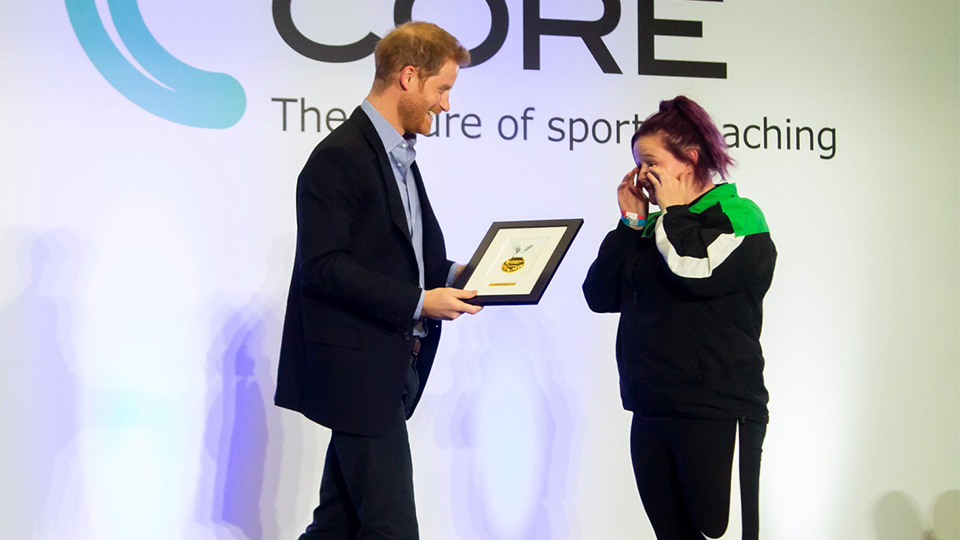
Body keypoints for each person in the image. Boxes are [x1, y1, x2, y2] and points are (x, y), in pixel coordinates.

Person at [274, 21, 481, 540]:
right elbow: (321, 267)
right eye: (443, 89)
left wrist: (469, 275)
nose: (446, 105)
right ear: (409, 78)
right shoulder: (339, 158)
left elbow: (415, 261)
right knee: (391, 530)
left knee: (337, 524)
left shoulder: (401, 158)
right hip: (358, 374)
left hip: (388, 372)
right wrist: (419, 301)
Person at [582, 96, 776, 540]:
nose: (642, 175)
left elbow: (696, 271)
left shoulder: (739, 217)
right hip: (650, 412)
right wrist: (632, 223)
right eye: (637, 164)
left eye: (650, 162)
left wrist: (671, 214)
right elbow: (599, 294)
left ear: (689, 159)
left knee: (717, 534)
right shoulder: (654, 229)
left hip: (716, 414)